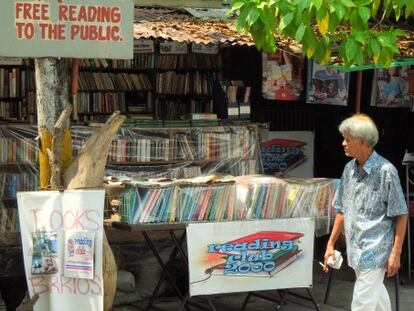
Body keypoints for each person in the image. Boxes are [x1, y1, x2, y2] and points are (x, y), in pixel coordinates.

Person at [324, 113, 408, 310]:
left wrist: (396, 253)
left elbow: (401, 214)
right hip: (356, 251)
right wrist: (330, 243)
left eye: (347, 139)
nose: (343, 143)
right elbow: (342, 210)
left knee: (362, 304)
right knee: (377, 301)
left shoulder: (386, 171)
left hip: (376, 251)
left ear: (362, 142)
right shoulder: (348, 170)